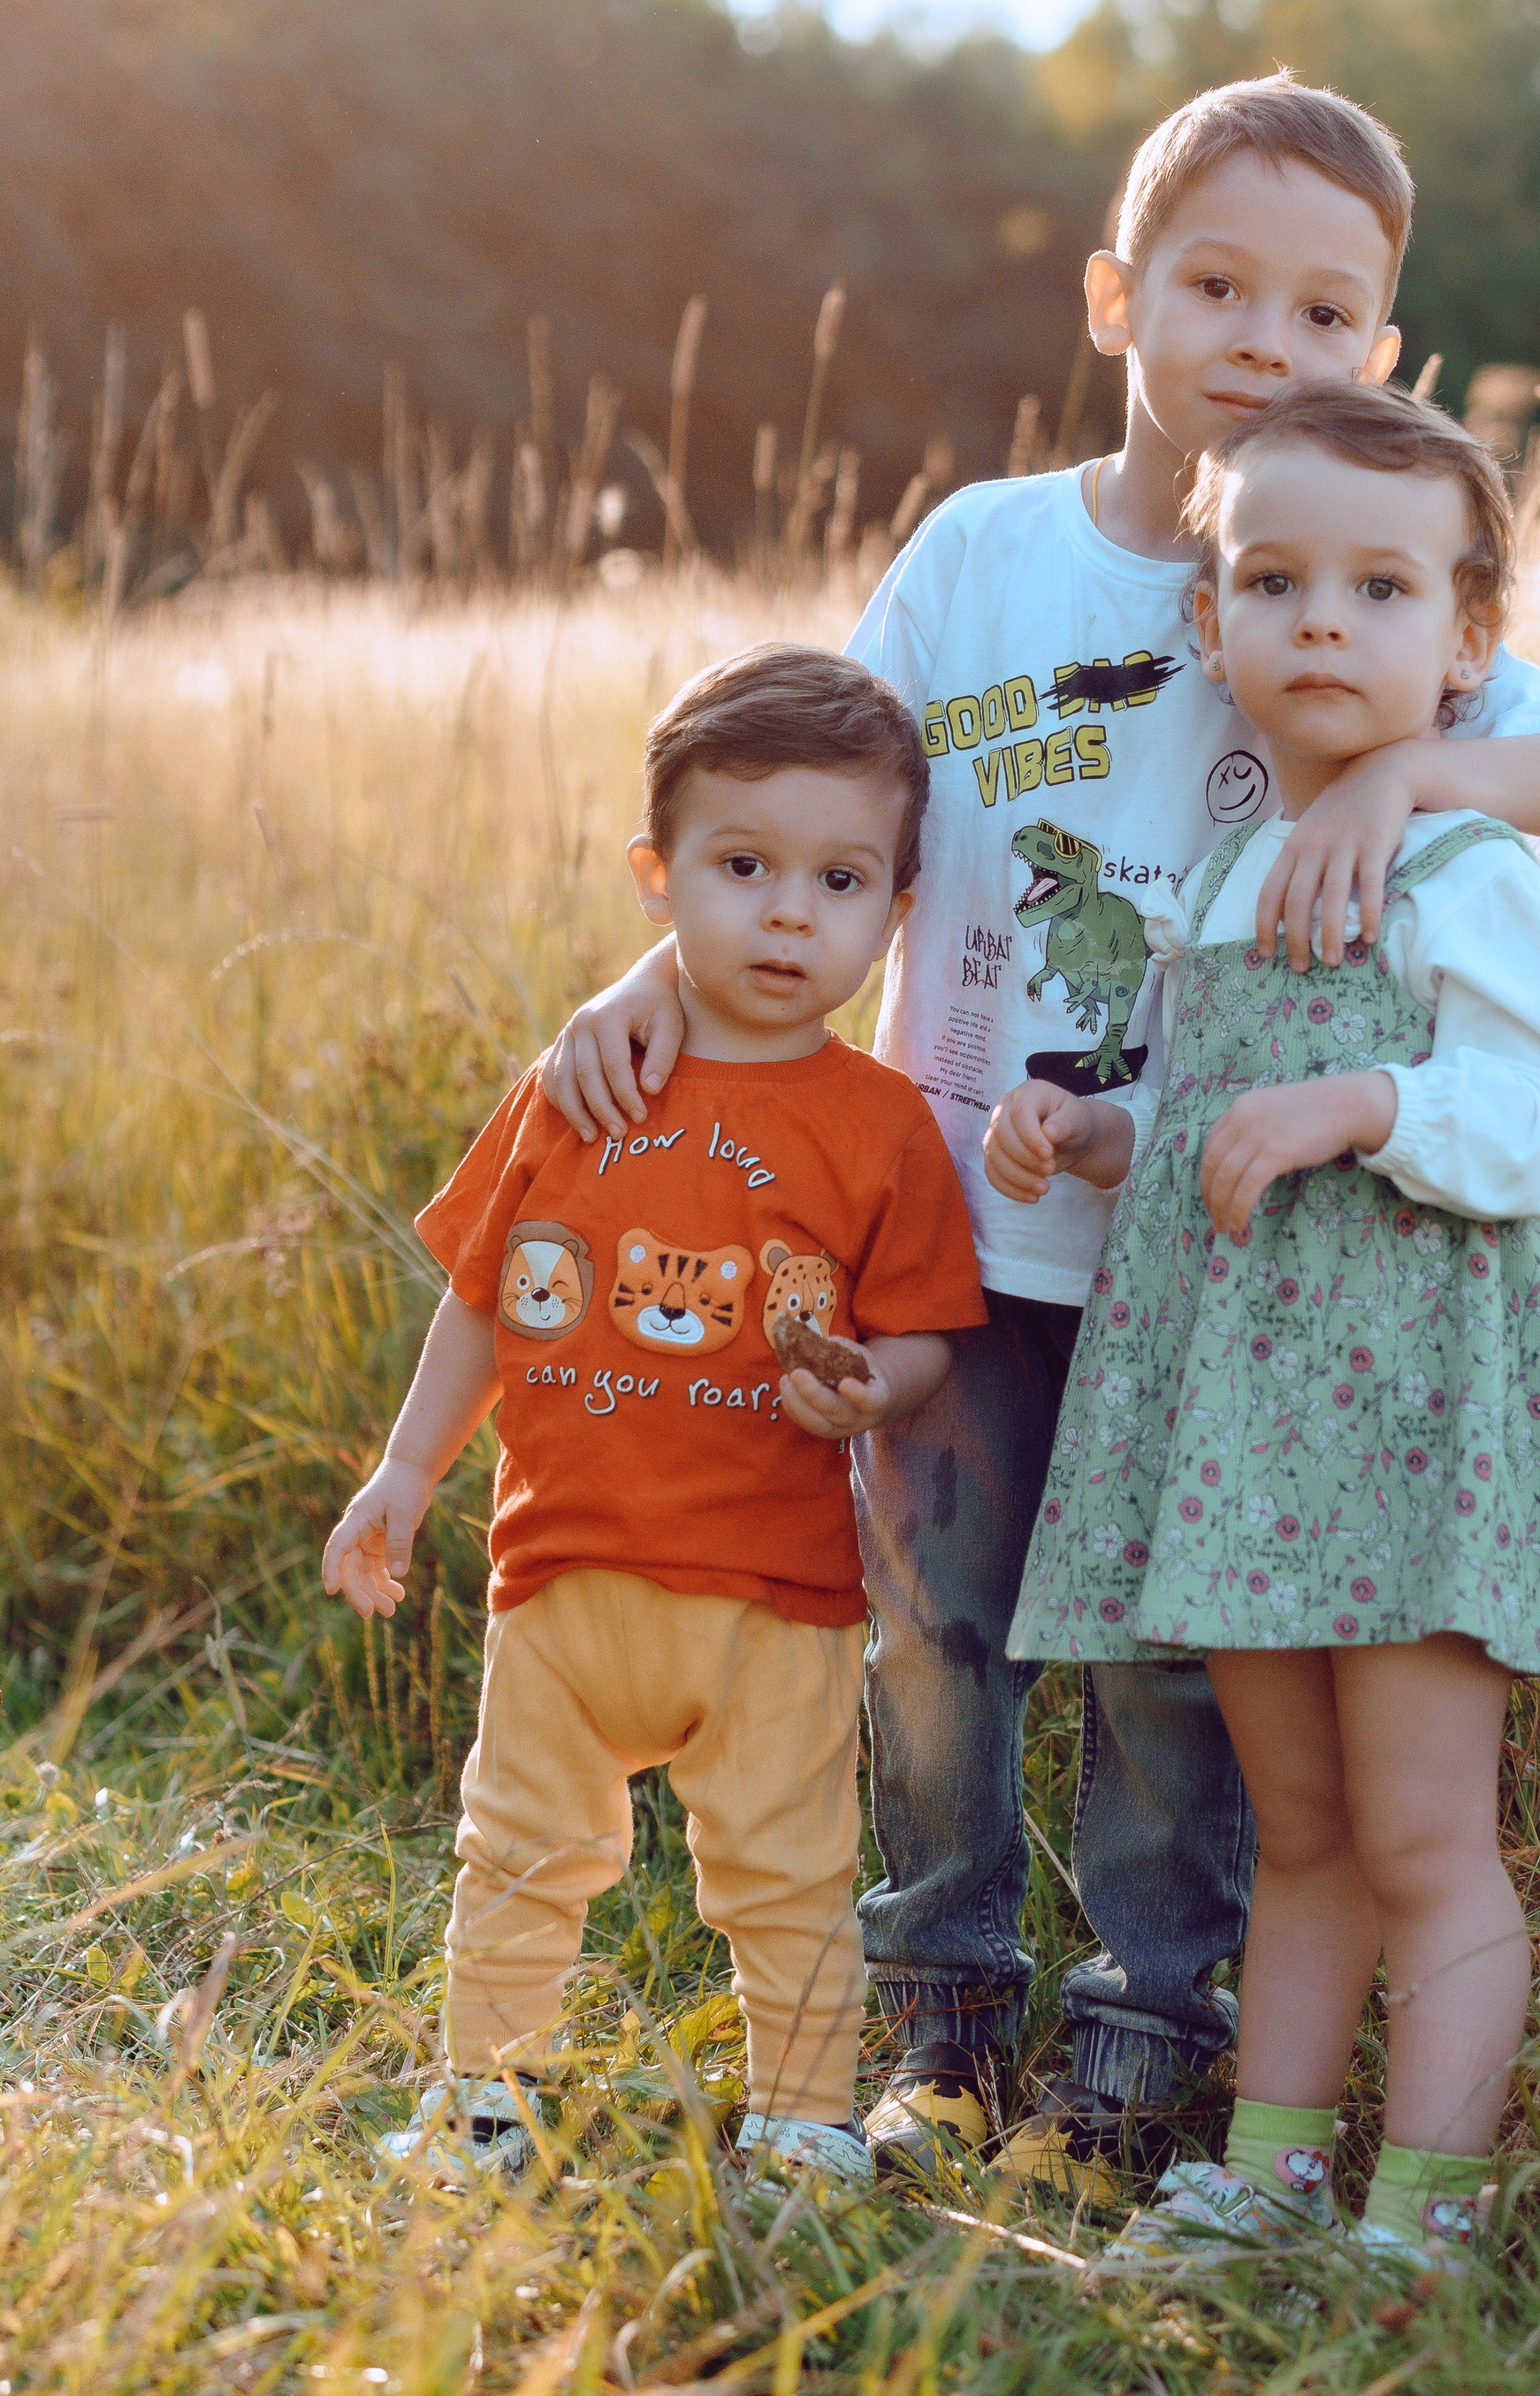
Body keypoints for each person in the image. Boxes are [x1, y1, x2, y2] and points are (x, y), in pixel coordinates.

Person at [539, 75, 1540, 2201]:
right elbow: (817, 801)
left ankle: (1145, 2042)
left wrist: (1395, 792)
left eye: (1327, 312)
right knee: (935, 1628)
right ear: (1115, 293)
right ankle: (937, 2018)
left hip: (1201, 1272)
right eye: (1216, 285)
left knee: (1162, 1666)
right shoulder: (990, 555)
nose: (1267, 340)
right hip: (947, 1228)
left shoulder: (1336, 567)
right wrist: (647, 988)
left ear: (1382, 352)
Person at [993, 379, 1540, 2266]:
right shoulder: (1213, 875)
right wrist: (1100, 1130)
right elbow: (1217, 1119)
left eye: (1377, 587)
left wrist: (1365, 1103)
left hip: (1422, 1425)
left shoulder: (1463, 867)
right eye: (1273, 581)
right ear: (1211, 627)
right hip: (1252, 1440)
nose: (1321, 622)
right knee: (1301, 1826)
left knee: (1422, 1828)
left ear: (1464, 647)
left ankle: (1421, 2210)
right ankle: (1267, 2172)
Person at [321, 646, 986, 2186]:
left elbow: (928, 1335)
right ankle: (484, 2097)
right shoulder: (585, 1082)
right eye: (743, 866)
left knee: (787, 1872)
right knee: (519, 1853)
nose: (786, 913)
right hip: (561, 1575)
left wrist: (872, 1389)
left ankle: (807, 2115)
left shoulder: (881, 1125)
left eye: (838, 881)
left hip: (773, 1594)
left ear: (894, 914)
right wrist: (407, 1471)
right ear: (658, 874)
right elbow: (485, 1294)